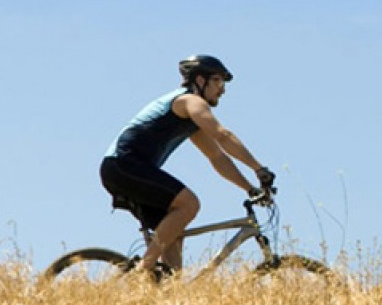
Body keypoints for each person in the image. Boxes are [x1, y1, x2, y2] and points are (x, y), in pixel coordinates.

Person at [100, 55, 275, 278]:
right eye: (218, 81)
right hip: (123, 165)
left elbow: (217, 158)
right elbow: (223, 135)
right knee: (189, 204)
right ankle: (143, 269)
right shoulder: (190, 101)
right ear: (200, 80)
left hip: (125, 169)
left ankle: (167, 294)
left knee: (174, 232)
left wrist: (250, 188)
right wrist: (259, 169)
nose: (222, 90)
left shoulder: (190, 119)